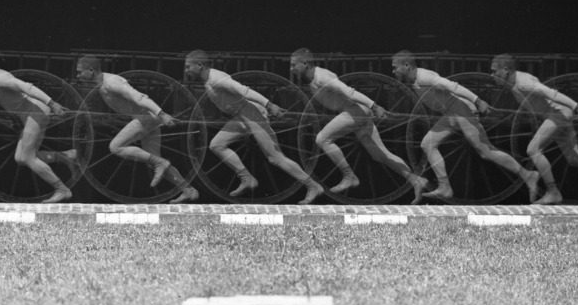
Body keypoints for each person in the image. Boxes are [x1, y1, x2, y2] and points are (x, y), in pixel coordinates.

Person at [391, 50, 540, 202]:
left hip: (462, 110)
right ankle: (444, 187)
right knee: (427, 144)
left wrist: (478, 101)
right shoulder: (414, 80)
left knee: (485, 151)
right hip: (450, 114)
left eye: (395, 67)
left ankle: (528, 175)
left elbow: (453, 86)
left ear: (407, 65)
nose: (393, 71)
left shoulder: (424, 77)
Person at [184, 50, 325, 204]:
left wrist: (269, 105)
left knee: (275, 158)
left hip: (253, 115)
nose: (186, 71)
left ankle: (313, 185)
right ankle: (247, 178)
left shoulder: (217, 79)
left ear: (199, 65)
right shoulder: (208, 81)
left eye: (187, 67)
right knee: (217, 145)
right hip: (241, 117)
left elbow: (244, 91)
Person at [290, 48, 429, 202]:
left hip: (355, 110)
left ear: (305, 63)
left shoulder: (322, 77)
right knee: (380, 155)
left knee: (322, 139)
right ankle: (416, 180)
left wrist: (374, 106)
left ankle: (349, 175)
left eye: (293, 65)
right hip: (354, 112)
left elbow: (350, 92)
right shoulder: (313, 79)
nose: (291, 69)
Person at [490, 54, 578, 204]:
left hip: (559, 114)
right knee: (575, 158)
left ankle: (553, 192)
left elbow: (551, 94)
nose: (491, 75)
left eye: (494, 71)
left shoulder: (524, 82)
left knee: (533, 149)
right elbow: (534, 103)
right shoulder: (514, 84)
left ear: (505, 70)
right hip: (556, 115)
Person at [76, 55, 199, 204]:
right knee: (154, 160)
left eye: (79, 72)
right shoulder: (103, 84)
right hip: (148, 119)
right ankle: (188, 189)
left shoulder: (111, 83)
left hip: (146, 118)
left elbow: (139, 97)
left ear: (90, 70)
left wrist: (162, 114)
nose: (77, 76)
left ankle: (161, 163)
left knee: (115, 147)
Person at [0, 49, 78, 203]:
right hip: (31, 115)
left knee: (27, 156)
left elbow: (27, 87)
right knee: (20, 158)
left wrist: (52, 103)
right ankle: (66, 156)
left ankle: (62, 189)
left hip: (36, 113)